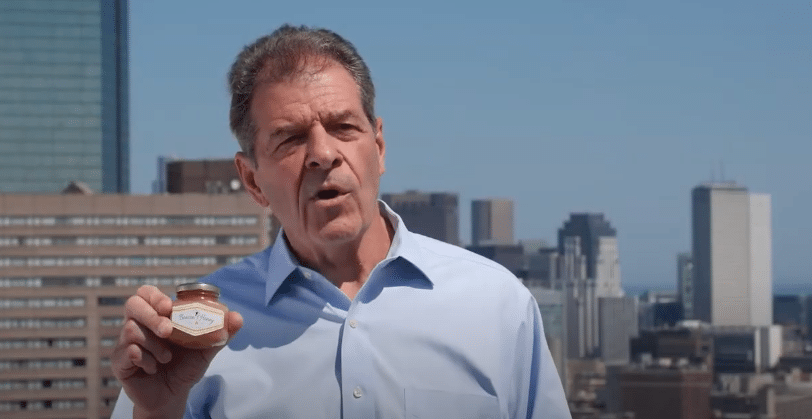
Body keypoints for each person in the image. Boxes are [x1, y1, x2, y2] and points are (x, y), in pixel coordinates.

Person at [111, 24, 570, 418]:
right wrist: (156, 412)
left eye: (344, 127)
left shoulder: (496, 306)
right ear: (252, 180)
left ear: (380, 147)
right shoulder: (192, 333)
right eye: (290, 139)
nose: (324, 154)